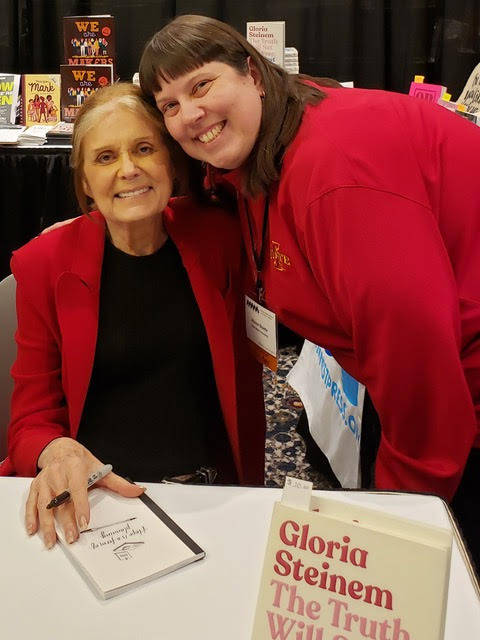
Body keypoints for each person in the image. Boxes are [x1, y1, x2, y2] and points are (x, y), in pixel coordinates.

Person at [139, 15, 480, 567]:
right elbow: (220, 199)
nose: (189, 115)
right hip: (415, 381)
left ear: (252, 72)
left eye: (201, 85)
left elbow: (421, 364)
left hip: (453, 392)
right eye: (169, 105)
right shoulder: (281, 119)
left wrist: (399, 525)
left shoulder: (336, 172)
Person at [0, 82, 265, 549]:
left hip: (210, 492)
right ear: (83, 181)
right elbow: (30, 421)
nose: (128, 170)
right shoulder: (45, 264)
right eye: (104, 158)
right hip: (98, 503)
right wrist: (55, 450)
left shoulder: (219, 233)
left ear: (171, 161)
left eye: (145, 148)